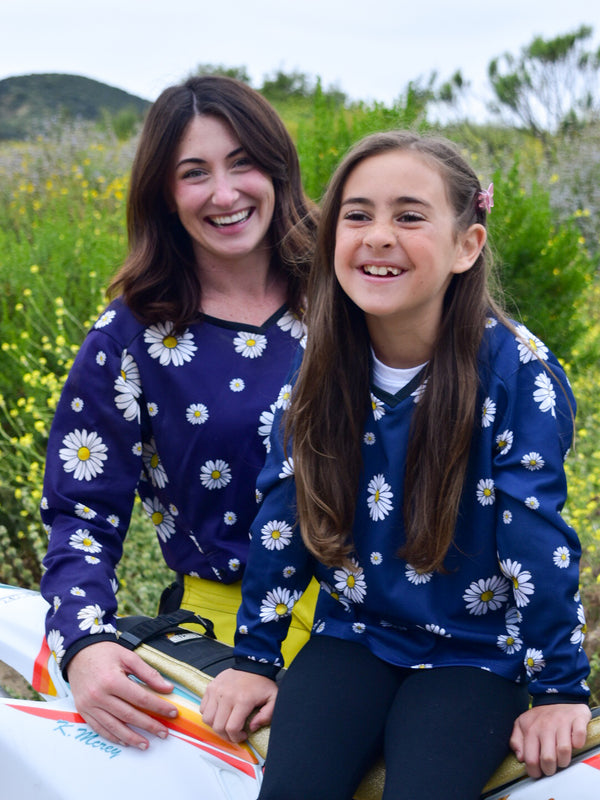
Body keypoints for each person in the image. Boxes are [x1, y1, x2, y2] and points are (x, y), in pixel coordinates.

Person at [200, 130, 592, 800]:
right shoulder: (323, 359)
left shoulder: (517, 371)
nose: (379, 235)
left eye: (409, 216)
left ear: (466, 245)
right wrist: (255, 659)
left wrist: (558, 689)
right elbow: (285, 515)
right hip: (353, 634)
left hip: (475, 654)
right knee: (293, 787)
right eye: (358, 215)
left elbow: (537, 536)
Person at [39, 75, 320, 751]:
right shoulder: (132, 336)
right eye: (194, 173)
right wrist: (84, 645)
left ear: (277, 169)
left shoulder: (349, 292)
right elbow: (80, 514)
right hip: (227, 646)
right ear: (165, 195)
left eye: (243, 162)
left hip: (396, 624)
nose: (225, 194)